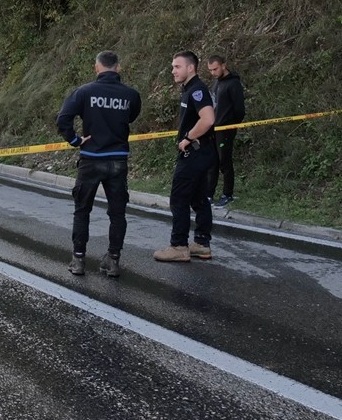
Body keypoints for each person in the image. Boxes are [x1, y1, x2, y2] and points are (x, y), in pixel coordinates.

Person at [56, 51, 142, 278]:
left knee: (82, 210)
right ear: (118, 68)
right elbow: (131, 117)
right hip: (118, 160)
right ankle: (113, 261)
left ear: (96, 68)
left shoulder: (84, 92)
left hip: (91, 160)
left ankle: (78, 259)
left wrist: (74, 140)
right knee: (118, 213)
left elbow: (63, 118)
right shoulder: (131, 95)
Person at [153, 51, 216, 263]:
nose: (173, 71)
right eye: (173, 67)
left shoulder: (197, 90)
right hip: (201, 153)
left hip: (194, 153)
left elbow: (208, 119)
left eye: (177, 67)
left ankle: (179, 246)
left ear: (191, 68)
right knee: (198, 198)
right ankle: (201, 244)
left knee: (179, 198)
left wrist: (188, 137)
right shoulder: (190, 89)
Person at [206, 55, 245, 208]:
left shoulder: (234, 84)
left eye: (215, 69)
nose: (213, 73)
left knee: (225, 161)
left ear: (224, 65)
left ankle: (227, 194)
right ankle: (209, 194)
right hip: (213, 128)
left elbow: (239, 109)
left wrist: (231, 125)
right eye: (210, 70)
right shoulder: (216, 83)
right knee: (212, 161)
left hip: (226, 129)